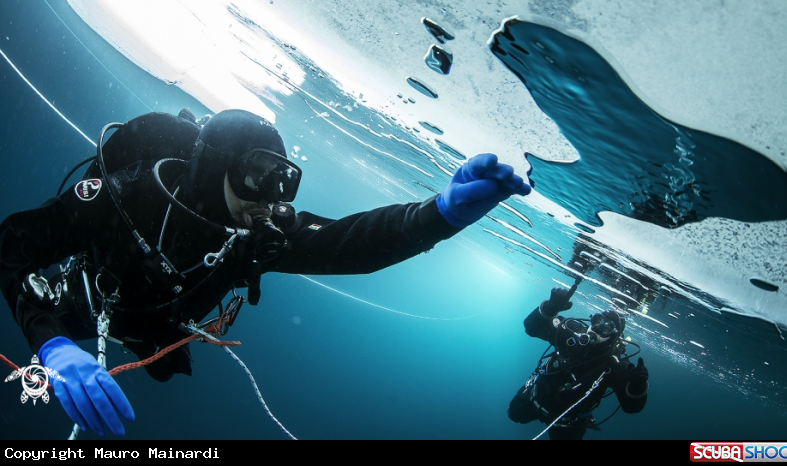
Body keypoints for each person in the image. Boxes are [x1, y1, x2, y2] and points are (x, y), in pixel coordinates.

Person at [0, 108, 531, 437]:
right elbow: (12, 244)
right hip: (86, 305)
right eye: (257, 174)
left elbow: (351, 244)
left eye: (284, 179)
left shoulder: (256, 237)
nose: (272, 196)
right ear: (214, 167)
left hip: (163, 329)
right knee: (53, 361)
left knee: (162, 362)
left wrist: (438, 214)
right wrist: (50, 343)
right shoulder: (128, 195)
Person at [508, 286, 649, 440]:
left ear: (614, 336)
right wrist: (550, 308)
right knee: (513, 414)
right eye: (597, 321)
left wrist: (638, 387)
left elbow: (631, 407)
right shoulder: (571, 331)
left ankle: (586, 418)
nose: (597, 329)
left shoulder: (616, 364)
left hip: (568, 422)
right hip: (536, 397)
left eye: (607, 328)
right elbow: (531, 327)